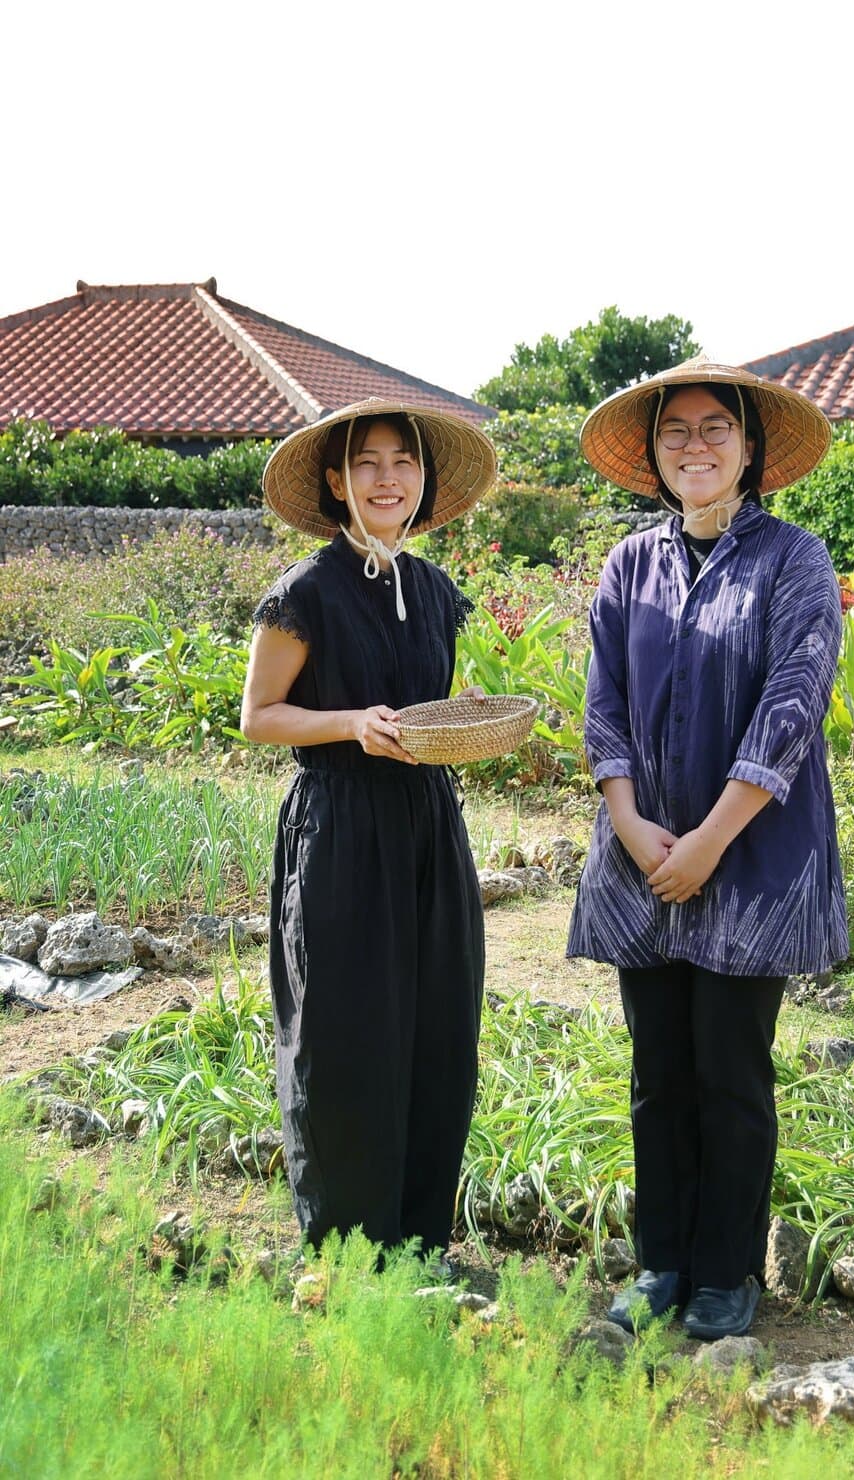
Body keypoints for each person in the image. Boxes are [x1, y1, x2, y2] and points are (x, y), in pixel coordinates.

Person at [567, 353, 847, 1340]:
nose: (694, 445)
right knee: (657, 1071)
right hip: (642, 856)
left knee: (730, 1069)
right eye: (674, 430)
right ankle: (663, 1265)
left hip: (750, 860)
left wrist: (709, 841)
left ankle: (726, 1274)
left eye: (713, 427)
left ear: (750, 446)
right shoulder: (628, 565)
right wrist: (630, 822)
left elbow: (790, 708)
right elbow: (602, 700)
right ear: (651, 454)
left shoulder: (794, 560)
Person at [240, 396, 496, 1261]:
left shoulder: (432, 590)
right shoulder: (304, 593)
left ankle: (420, 1242)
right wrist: (351, 724)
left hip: (428, 823)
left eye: (403, 462)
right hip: (342, 830)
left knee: (437, 1024)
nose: (388, 479)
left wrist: (455, 716)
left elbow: (420, 708)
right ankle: (351, 1252)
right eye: (367, 463)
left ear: (424, 478)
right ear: (335, 480)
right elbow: (259, 717)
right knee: (346, 1032)